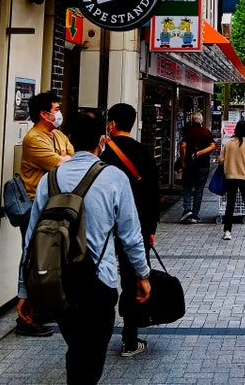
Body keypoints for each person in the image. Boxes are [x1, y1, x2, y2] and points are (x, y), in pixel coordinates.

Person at [17, 110, 151, 384]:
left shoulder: (50, 179)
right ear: (102, 141)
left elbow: (32, 239)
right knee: (90, 355)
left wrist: (24, 289)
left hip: (57, 281)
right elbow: (130, 235)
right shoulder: (114, 178)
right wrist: (142, 274)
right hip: (98, 281)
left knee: (78, 349)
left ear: (70, 139)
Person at [99, 103, 160, 358]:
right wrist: (151, 228)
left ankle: (96, 334)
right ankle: (130, 338)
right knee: (133, 279)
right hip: (136, 226)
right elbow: (153, 193)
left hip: (103, 226)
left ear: (112, 124)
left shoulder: (103, 153)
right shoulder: (143, 152)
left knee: (100, 275)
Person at [16, 91, 73, 336]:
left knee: (49, 258)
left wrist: (66, 158)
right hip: (35, 206)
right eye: (56, 109)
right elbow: (62, 164)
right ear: (43, 113)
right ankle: (27, 318)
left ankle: (42, 308)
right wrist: (65, 158)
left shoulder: (57, 134)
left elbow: (72, 156)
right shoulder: (33, 139)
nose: (59, 113)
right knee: (34, 257)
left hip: (53, 205)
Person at [179, 112, 216, 223]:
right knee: (199, 190)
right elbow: (213, 146)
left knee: (186, 187)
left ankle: (187, 209)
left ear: (192, 120)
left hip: (189, 165)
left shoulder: (188, 132)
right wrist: (200, 153)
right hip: (203, 165)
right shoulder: (206, 132)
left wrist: (182, 161)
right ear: (201, 121)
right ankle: (195, 214)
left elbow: (183, 146)